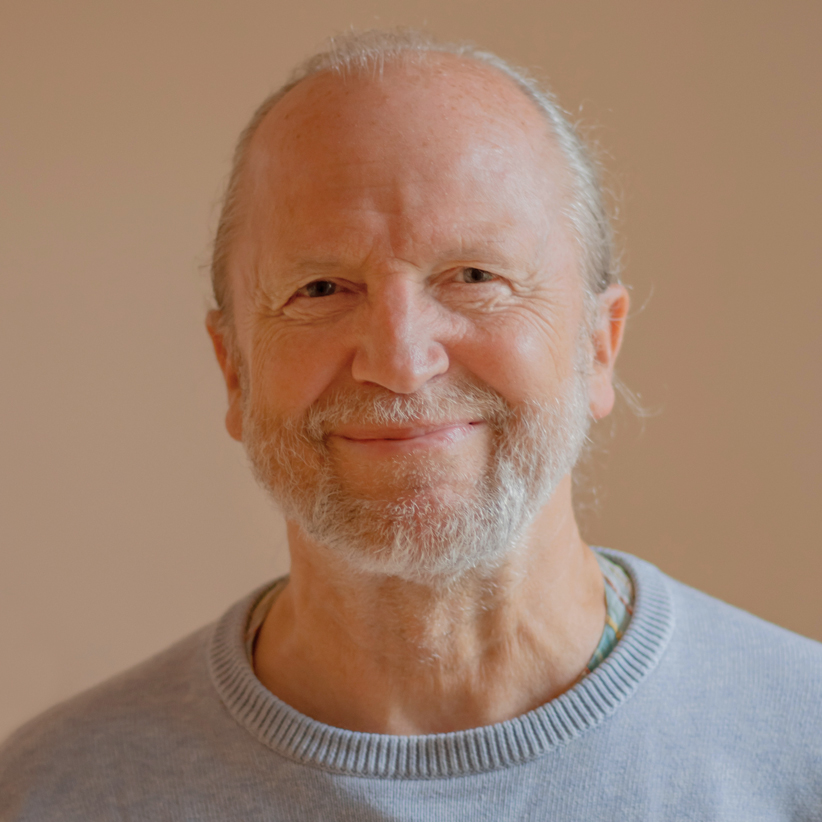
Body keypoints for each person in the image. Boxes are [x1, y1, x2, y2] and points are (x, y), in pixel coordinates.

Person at [1, 28, 821, 821]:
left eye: (475, 276)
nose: (399, 360)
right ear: (234, 369)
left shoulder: (802, 750)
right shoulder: (48, 796)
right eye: (321, 289)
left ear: (598, 348)